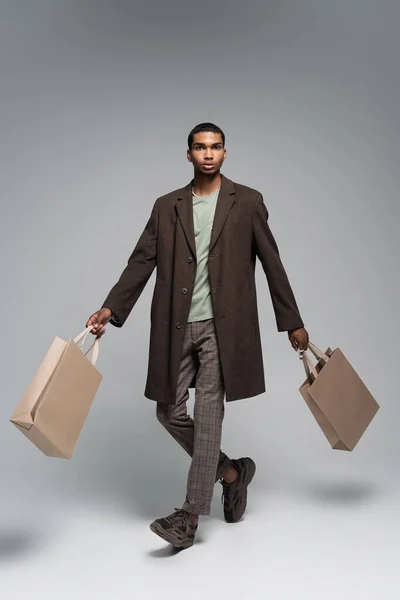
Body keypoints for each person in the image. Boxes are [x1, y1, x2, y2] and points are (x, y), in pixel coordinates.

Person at [86, 122, 309, 550]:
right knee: (168, 412)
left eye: (216, 147)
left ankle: (187, 518)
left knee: (208, 417)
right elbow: (141, 261)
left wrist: (291, 320)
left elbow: (272, 263)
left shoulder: (247, 202)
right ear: (188, 154)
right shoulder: (166, 205)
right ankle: (231, 473)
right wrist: (111, 308)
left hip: (225, 330)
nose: (208, 154)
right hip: (176, 324)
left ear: (225, 153)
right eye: (200, 147)